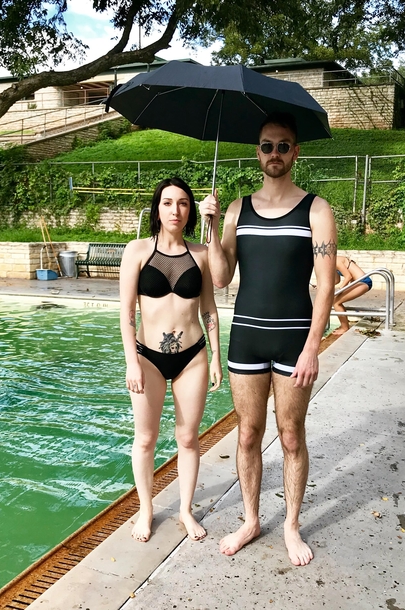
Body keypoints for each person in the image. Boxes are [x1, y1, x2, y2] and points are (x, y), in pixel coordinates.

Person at [199, 112, 337, 566]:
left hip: (295, 338)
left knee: (291, 435)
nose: (273, 153)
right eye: (266, 145)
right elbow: (220, 278)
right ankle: (251, 519)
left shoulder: (316, 210)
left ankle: (292, 526)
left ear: (295, 152)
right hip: (247, 339)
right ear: (256, 152)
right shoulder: (237, 209)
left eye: (282, 146)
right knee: (247, 435)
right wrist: (210, 226)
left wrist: (313, 345)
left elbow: (325, 283)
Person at [120, 177, 223, 544]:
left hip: (192, 356)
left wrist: (215, 357)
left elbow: (209, 308)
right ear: (156, 208)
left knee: (188, 438)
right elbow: (126, 314)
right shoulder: (136, 251)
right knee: (145, 438)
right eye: (167, 202)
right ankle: (146, 509)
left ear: (190, 210)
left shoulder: (201, 254)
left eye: (182, 203)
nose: (175, 210)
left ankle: (184, 510)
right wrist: (132, 361)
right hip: (147, 357)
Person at [332, 255, 372, 335]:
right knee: (336, 301)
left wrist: (341, 289)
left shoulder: (336, 261)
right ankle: (344, 326)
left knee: (336, 302)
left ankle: (345, 328)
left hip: (363, 281)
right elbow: (337, 280)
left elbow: (348, 277)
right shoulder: (333, 263)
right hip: (358, 282)